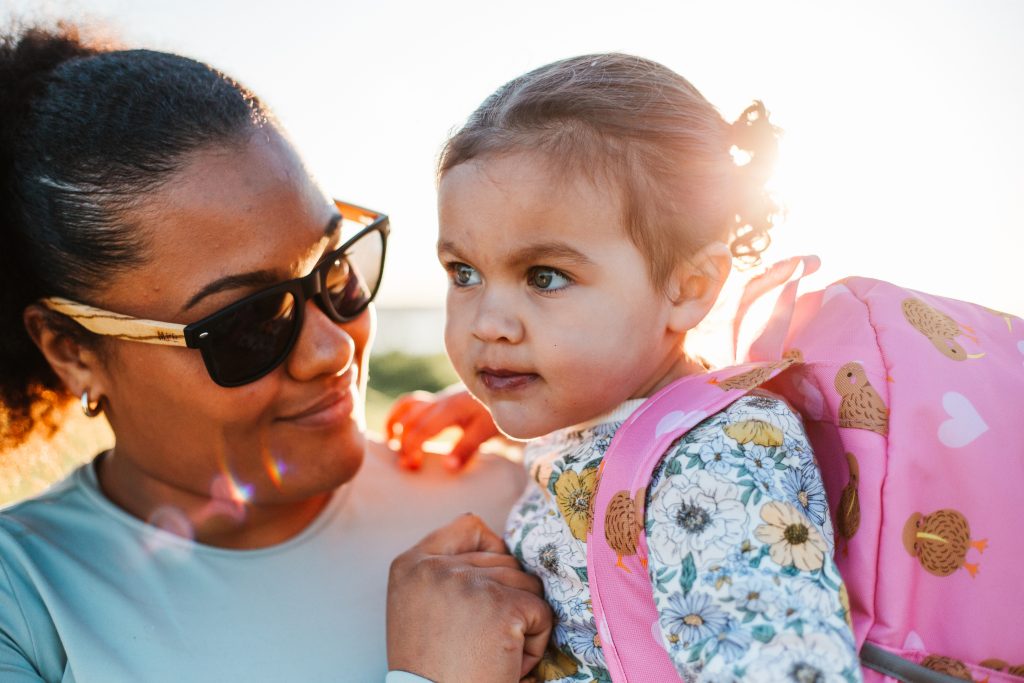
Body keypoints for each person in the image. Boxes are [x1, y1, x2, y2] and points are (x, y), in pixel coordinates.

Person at [0, 23, 551, 682]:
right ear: (73, 351)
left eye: (335, 272)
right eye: (251, 322)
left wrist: (588, 435)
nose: (332, 347)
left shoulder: (522, 498)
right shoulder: (25, 603)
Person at [387, 54, 861, 681]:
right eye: (464, 273)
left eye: (545, 276)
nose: (487, 324)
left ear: (689, 285)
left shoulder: (713, 463)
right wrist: (493, 401)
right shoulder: (603, 412)